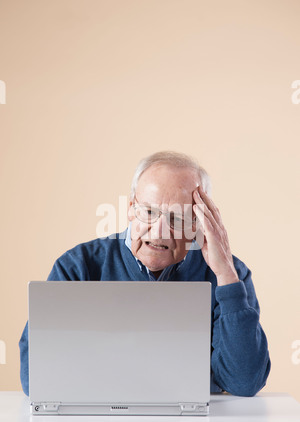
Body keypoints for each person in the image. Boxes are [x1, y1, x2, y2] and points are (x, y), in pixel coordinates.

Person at [19, 150, 271, 397]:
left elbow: (244, 382)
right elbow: (36, 377)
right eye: (148, 212)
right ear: (130, 208)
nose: (159, 231)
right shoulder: (78, 267)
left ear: (198, 224)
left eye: (177, 218)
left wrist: (225, 274)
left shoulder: (231, 275)